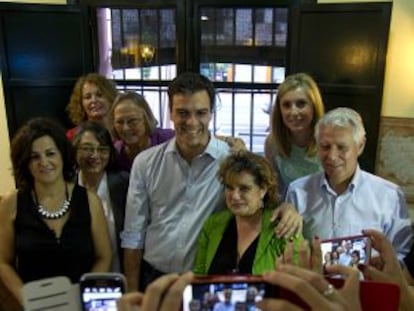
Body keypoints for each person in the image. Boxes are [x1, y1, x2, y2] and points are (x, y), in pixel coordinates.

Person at [121, 72, 302, 292]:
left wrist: (287, 207)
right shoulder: (146, 162)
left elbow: (259, 196)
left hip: (205, 279)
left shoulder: (231, 161)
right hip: (153, 277)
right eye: (182, 113)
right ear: (170, 113)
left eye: (201, 113)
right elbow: (133, 233)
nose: (192, 122)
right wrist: (131, 290)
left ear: (211, 114)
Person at [0, 117, 111, 307]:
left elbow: (104, 257)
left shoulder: (90, 201)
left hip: (80, 305)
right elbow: (3, 262)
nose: (44, 162)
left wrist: (84, 297)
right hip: (35, 306)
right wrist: (27, 299)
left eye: (50, 153)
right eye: (34, 157)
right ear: (25, 162)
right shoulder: (11, 203)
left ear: (62, 155)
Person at [285, 107, 412, 260]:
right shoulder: (297, 192)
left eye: (341, 147)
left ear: (360, 146)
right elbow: (287, 249)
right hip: (311, 282)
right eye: (325, 147)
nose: (332, 156)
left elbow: (401, 254)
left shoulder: (389, 196)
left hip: (367, 282)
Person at [194, 151, 301, 275]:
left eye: (244, 188)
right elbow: (199, 276)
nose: (235, 196)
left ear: (263, 190)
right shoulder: (213, 224)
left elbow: (299, 283)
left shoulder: (284, 228)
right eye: (229, 187)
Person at [73, 121, 129, 272]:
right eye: (87, 148)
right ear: (75, 150)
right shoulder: (65, 186)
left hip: (119, 273)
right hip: (78, 275)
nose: (95, 155)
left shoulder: (124, 184)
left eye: (103, 149)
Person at [264, 73, 324, 196]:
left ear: (314, 106)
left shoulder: (328, 140)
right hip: (289, 211)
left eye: (301, 104)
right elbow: (275, 191)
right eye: (286, 105)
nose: (294, 112)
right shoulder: (272, 143)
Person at [111, 92, 175, 172]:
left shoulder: (169, 141)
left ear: (146, 119)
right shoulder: (115, 154)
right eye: (119, 122)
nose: (125, 128)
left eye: (132, 121)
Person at [66, 73, 118, 141]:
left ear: (110, 98)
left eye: (99, 95)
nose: (93, 100)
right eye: (88, 97)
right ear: (80, 103)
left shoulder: (122, 132)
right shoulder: (72, 136)